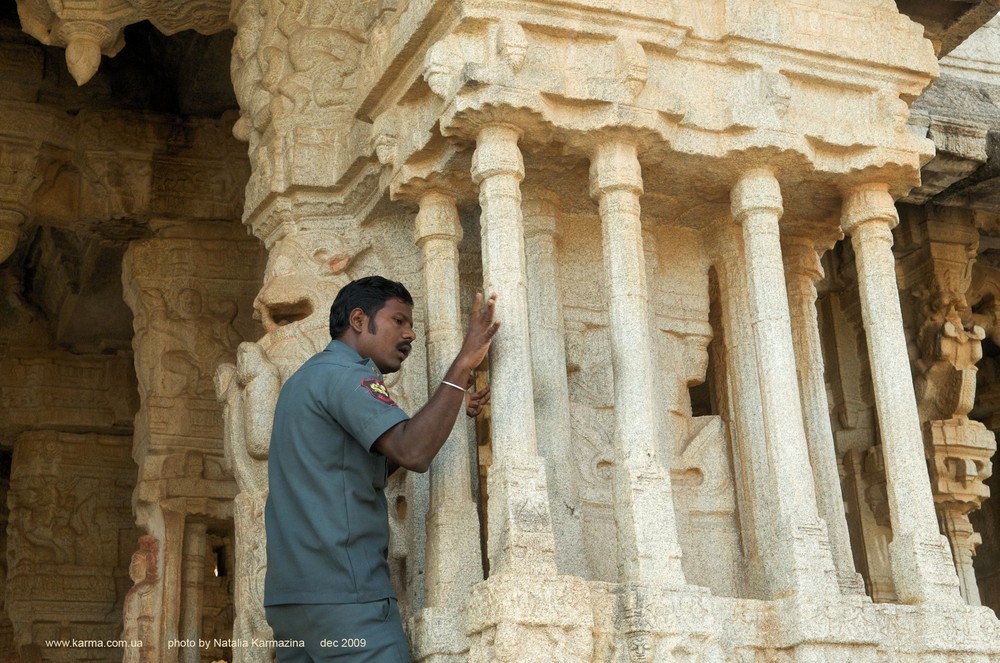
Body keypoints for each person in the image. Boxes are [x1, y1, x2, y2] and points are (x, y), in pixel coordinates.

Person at [263, 275, 498, 662]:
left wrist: (450, 409)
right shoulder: (349, 375)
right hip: (347, 601)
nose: (410, 334)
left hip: (292, 606)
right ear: (359, 320)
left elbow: (369, 465)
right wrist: (462, 365)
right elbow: (413, 452)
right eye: (398, 321)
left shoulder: (305, 381)